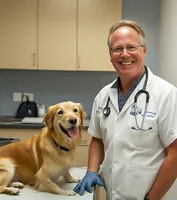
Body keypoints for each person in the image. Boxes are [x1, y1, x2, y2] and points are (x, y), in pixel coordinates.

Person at [73, 19, 177, 200]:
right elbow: (97, 139)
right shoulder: (103, 96)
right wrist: (91, 170)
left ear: (144, 50)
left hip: (149, 196)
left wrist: (152, 198)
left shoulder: (166, 94)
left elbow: (175, 153)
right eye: (118, 49)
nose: (124, 54)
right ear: (110, 54)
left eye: (131, 47)